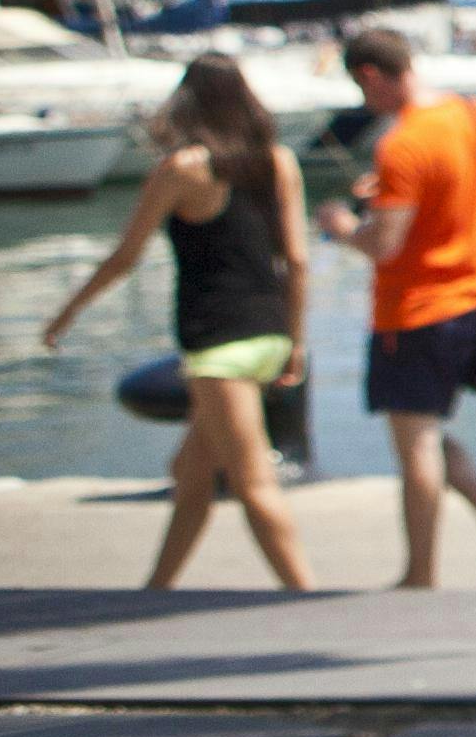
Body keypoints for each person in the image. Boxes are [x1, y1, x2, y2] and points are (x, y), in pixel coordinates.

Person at [38, 53, 319, 591]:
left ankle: (307, 596)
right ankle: (156, 591)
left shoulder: (182, 169)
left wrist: (68, 312)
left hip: (218, 343)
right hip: (268, 332)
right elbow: (299, 261)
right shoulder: (278, 160)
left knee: (252, 484)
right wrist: (296, 343)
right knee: (190, 476)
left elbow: (125, 257)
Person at [321, 26, 476, 591]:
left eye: (361, 88)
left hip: (415, 310)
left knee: (415, 444)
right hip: (472, 295)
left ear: (371, 75)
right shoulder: (474, 115)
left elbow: (384, 245)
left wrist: (343, 229)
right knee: (428, 432)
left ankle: (420, 575)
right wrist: (397, 199)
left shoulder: (402, 144)